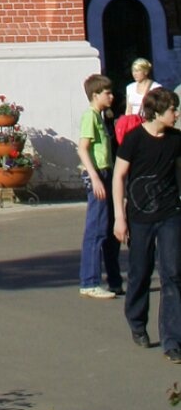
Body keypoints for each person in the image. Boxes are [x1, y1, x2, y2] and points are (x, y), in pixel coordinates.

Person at [112, 85, 181, 358]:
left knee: (173, 274)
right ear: (157, 112)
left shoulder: (176, 140)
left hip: (170, 214)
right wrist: (120, 217)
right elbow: (119, 176)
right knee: (140, 272)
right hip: (139, 217)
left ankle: (173, 340)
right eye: (172, 109)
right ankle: (137, 322)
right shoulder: (134, 140)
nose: (176, 114)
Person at [77, 74, 122, 298]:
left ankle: (114, 280)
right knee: (96, 229)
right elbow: (83, 148)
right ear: (95, 95)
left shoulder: (102, 117)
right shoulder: (90, 117)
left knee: (110, 228)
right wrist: (94, 177)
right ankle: (89, 281)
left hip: (107, 172)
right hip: (98, 175)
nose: (111, 96)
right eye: (107, 93)